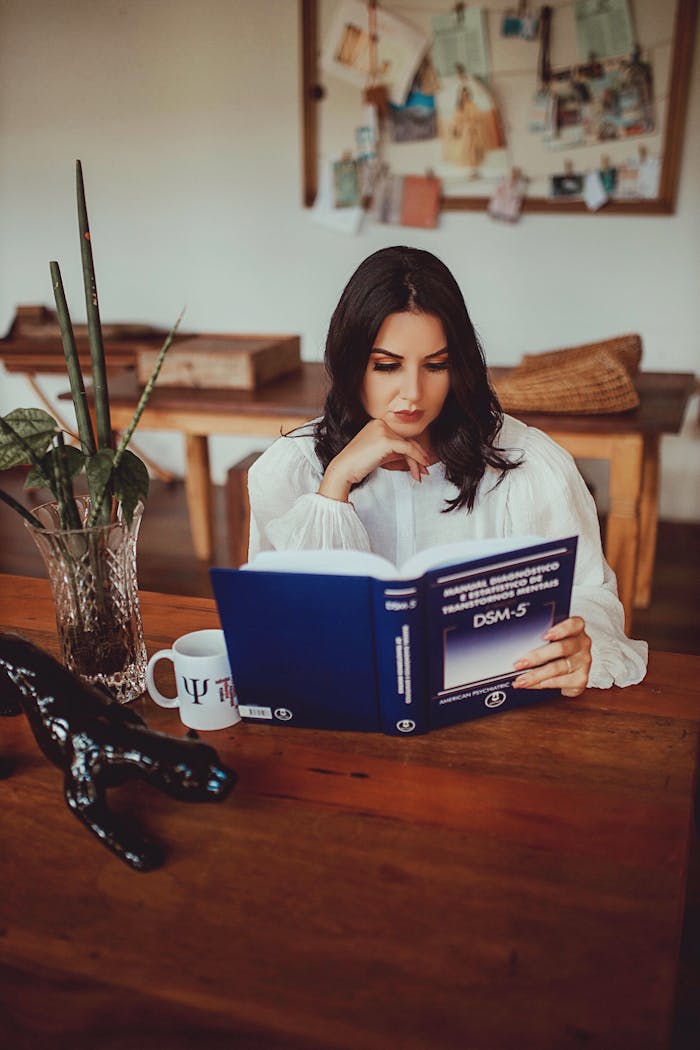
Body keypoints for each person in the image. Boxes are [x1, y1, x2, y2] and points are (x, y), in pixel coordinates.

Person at [248, 246, 647, 696]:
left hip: (498, 719)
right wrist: (334, 485)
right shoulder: (290, 469)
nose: (413, 393)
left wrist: (579, 645)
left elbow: (589, 594)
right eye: (386, 366)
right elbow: (286, 628)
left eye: (436, 365)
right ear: (349, 363)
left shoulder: (529, 464)